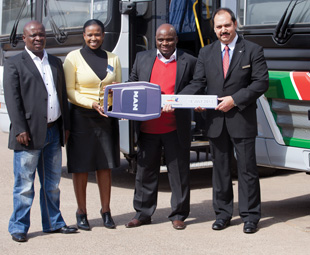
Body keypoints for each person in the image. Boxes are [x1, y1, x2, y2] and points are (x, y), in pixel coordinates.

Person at [180, 8, 269, 234]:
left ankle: (250, 217)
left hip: (242, 118)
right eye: (218, 27)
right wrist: (186, 98)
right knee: (219, 170)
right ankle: (222, 214)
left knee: (247, 170)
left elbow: (260, 83)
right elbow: (198, 82)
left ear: (235, 24)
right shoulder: (206, 52)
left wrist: (234, 100)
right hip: (215, 121)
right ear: (214, 29)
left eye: (226, 25)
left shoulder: (252, 50)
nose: (223, 30)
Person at [3, 21, 78, 243]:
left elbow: (61, 95)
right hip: (28, 134)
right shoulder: (14, 63)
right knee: (24, 185)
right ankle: (19, 226)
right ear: (24, 38)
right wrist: (20, 129)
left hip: (53, 131)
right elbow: (12, 99)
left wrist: (65, 126)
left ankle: (53, 223)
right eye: (33, 35)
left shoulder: (55, 62)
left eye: (41, 35)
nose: (38, 38)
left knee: (52, 183)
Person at [125, 24, 197, 230]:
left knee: (179, 173)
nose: (165, 44)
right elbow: (133, 84)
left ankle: (179, 214)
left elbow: (198, 84)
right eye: (161, 40)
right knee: (145, 173)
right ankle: (142, 213)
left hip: (176, 127)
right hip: (148, 127)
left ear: (176, 40)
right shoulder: (142, 58)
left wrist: (177, 100)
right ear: (155, 40)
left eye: (169, 40)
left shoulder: (189, 60)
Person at [63, 19, 121, 231]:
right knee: (81, 166)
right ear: (84, 36)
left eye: (97, 34)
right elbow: (69, 90)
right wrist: (91, 103)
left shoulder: (113, 58)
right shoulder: (72, 58)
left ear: (103, 35)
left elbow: (119, 88)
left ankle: (106, 211)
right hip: (81, 116)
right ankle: (81, 212)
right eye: (89, 35)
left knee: (104, 165)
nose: (93, 38)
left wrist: (117, 92)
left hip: (106, 117)